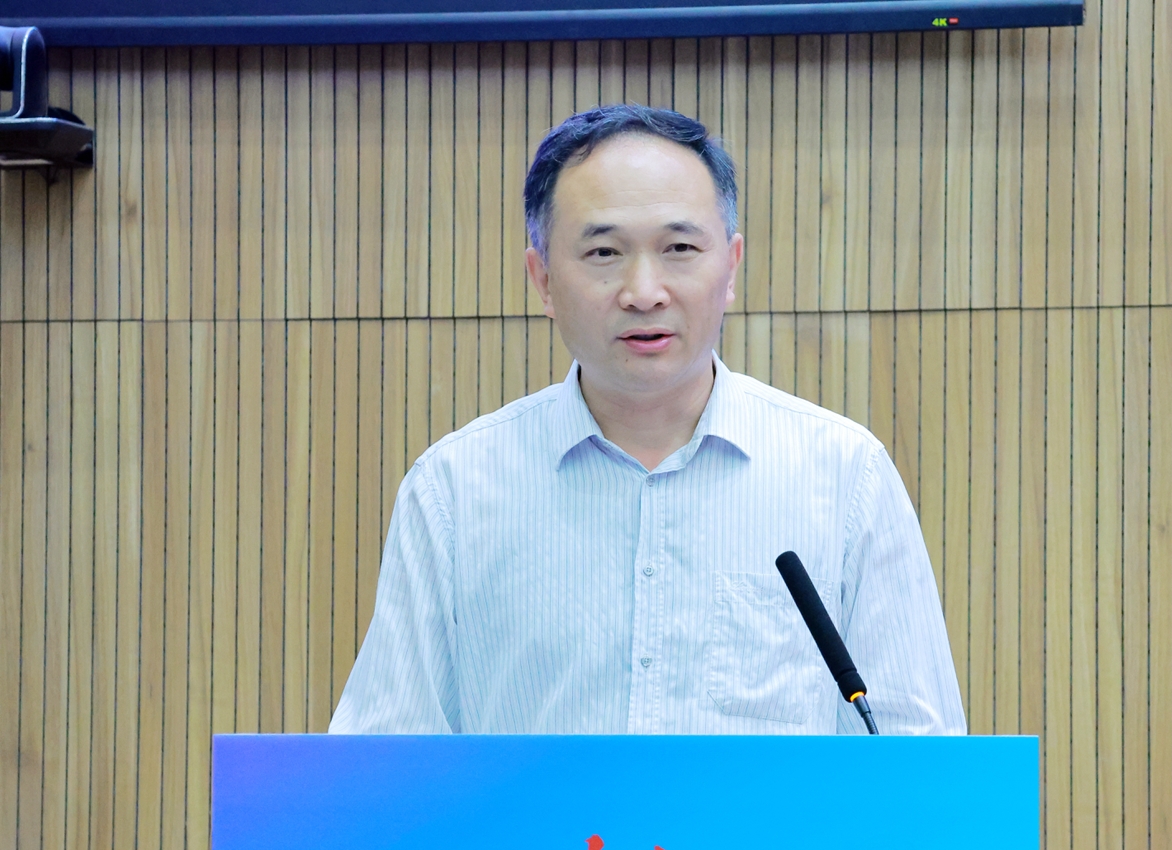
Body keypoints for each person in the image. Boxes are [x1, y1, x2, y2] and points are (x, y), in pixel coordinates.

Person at [329, 104, 966, 735]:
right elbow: (383, 759)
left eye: (679, 248)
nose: (643, 291)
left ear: (731, 267)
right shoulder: (454, 491)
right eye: (604, 252)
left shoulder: (845, 477)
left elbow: (922, 759)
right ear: (543, 279)